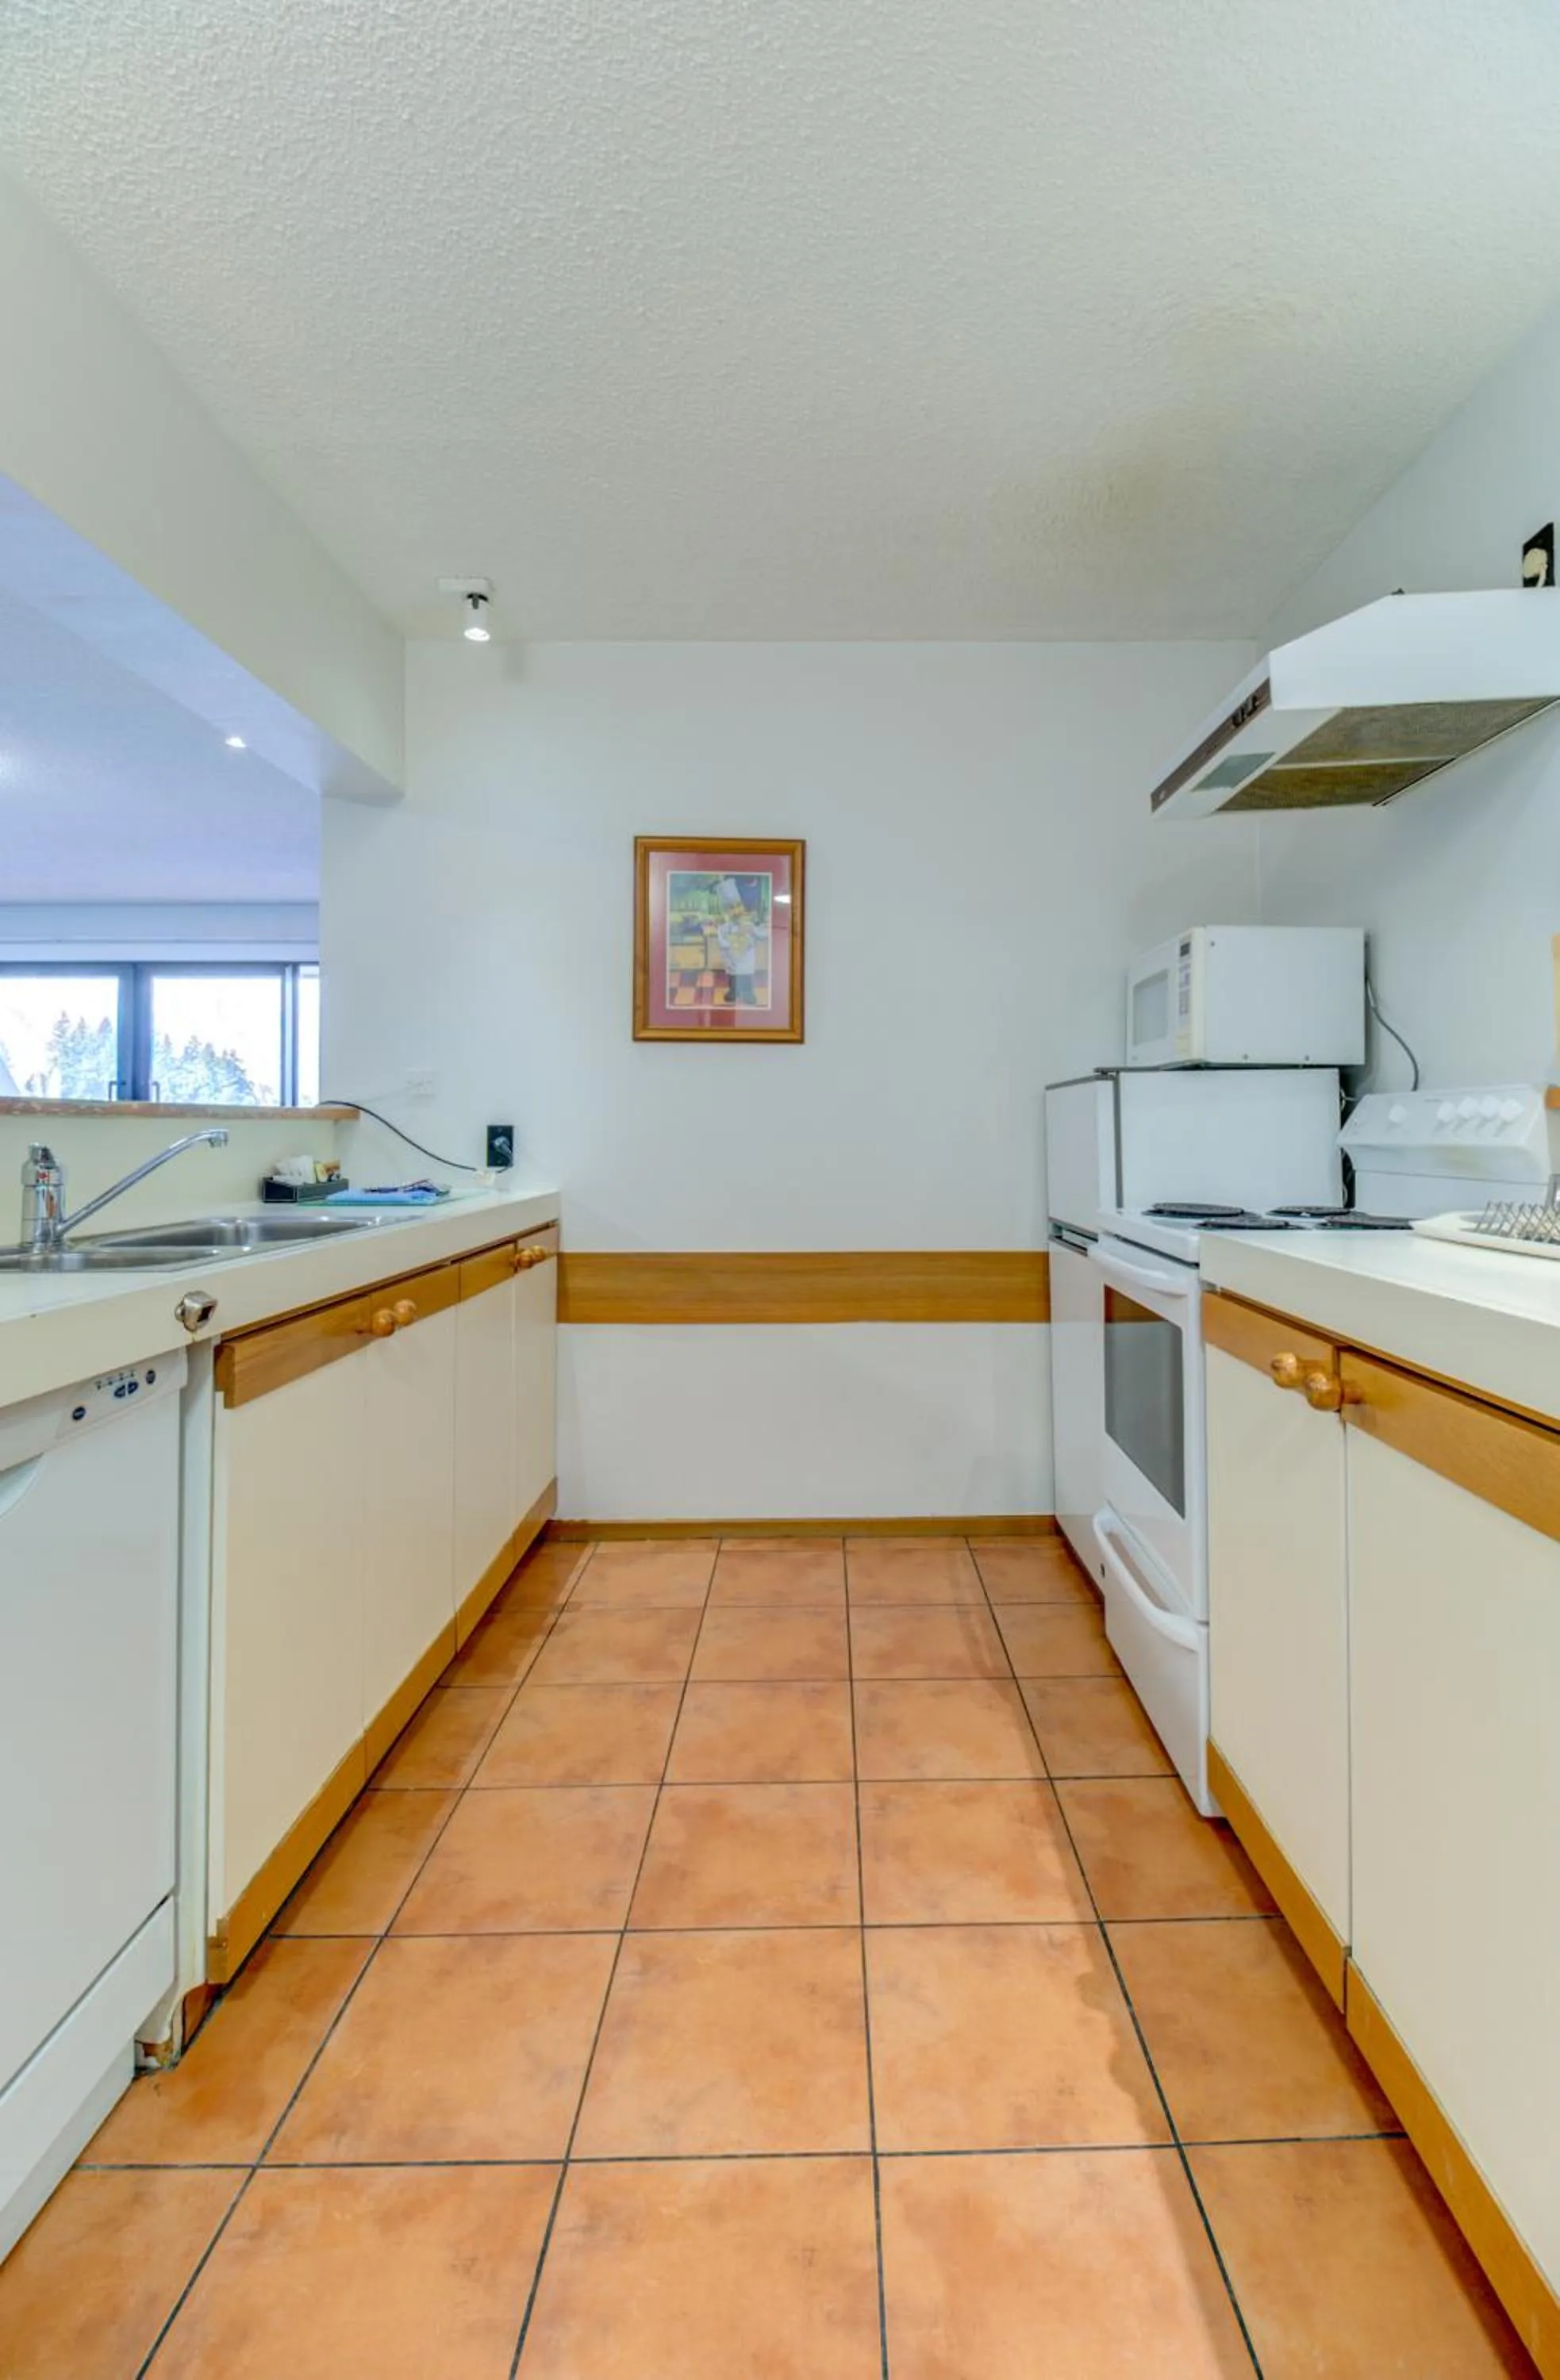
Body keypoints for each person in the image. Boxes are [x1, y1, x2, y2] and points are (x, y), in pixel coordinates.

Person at [714, 877, 762, 1005]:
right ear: (726, 911)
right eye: (731, 908)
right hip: (732, 957)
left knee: (746, 976)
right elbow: (722, 939)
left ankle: (747, 993)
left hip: (746, 956)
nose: (735, 911)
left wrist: (751, 935)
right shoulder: (725, 926)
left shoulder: (749, 923)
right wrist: (729, 945)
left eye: (738, 906)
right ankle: (733, 992)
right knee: (733, 977)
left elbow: (759, 935)